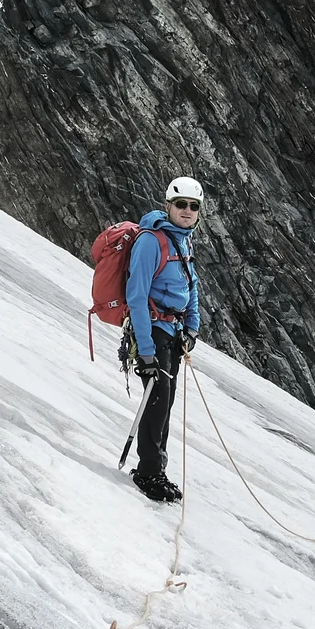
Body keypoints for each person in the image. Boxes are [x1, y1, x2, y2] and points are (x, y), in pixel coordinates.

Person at [126, 177, 204, 502]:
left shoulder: (183, 241)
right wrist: (145, 350)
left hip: (172, 333)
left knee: (164, 402)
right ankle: (148, 473)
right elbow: (136, 295)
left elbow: (191, 285)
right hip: (153, 332)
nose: (187, 211)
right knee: (157, 401)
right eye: (182, 204)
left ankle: (156, 469)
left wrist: (192, 326)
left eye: (193, 206)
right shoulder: (151, 241)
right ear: (168, 205)